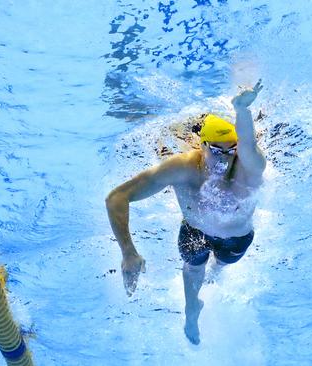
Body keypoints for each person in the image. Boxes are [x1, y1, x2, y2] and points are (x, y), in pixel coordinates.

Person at [105, 80, 266, 345]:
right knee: (192, 270)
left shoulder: (249, 168)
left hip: (236, 239)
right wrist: (128, 253)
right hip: (194, 231)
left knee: (219, 268)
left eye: (230, 151)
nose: (224, 158)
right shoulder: (182, 168)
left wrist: (242, 111)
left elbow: (248, 146)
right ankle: (192, 311)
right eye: (216, 150)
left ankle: (214, 278)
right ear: (201, 146)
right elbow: (117, 197)